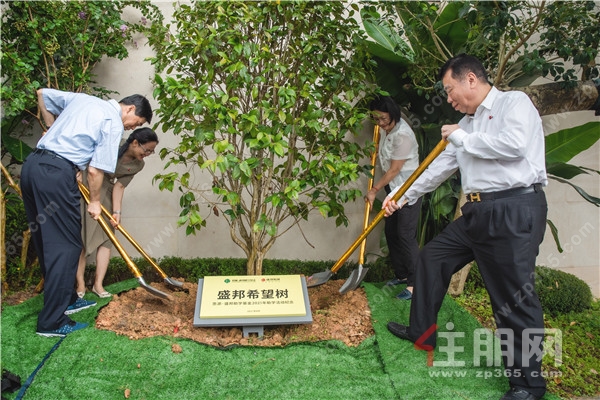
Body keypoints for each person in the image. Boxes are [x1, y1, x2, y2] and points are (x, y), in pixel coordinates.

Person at [383, 54, 548, 400]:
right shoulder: (466, 124)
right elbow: (436, 170)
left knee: (513, 298)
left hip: (512, 209)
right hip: (476, 213)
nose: (448, 98)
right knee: (432, 258)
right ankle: (421, 331)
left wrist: (460, 138)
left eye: (449, 89)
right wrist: (400, 196)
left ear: (470, 79)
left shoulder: (512, 104)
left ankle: (528, 386)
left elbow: (514, 146)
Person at [21, 88, 152, 337]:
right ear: (131, 109)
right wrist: (94, 201)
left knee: (47, 239)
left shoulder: (84, 100)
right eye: (138, 122)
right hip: (56, 174)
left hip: (33, 167)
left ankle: (67, 299)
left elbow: (42, 94)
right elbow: (95, 171)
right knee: (68, 246)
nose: (132, 127)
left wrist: (50, 128)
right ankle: (51, 323)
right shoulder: (112, 121)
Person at [76, 127, 159, 299]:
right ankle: (80, 285)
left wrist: (116, 212)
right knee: (83, 235)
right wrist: (78, 169)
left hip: (106, 190)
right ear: (135, 143)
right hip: (87, 184)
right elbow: (88, 157)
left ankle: (98, 285)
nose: (149, 154)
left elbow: (120, 186)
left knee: (108, 237)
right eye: (147, 150)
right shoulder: (113, 144)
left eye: (152, 151)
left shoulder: (138, 164)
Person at [366, 95, 420, 300]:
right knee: (391, 232)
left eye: (384, 120)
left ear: (394, 116)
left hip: (408, 189)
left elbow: (395, 169)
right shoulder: (384, 129)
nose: (380, 124)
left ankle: (415, 285)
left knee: (405, 236)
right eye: (376, 119)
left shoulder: (403, 136)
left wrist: (374, 190)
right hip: (393, 188)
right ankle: (403, 275)